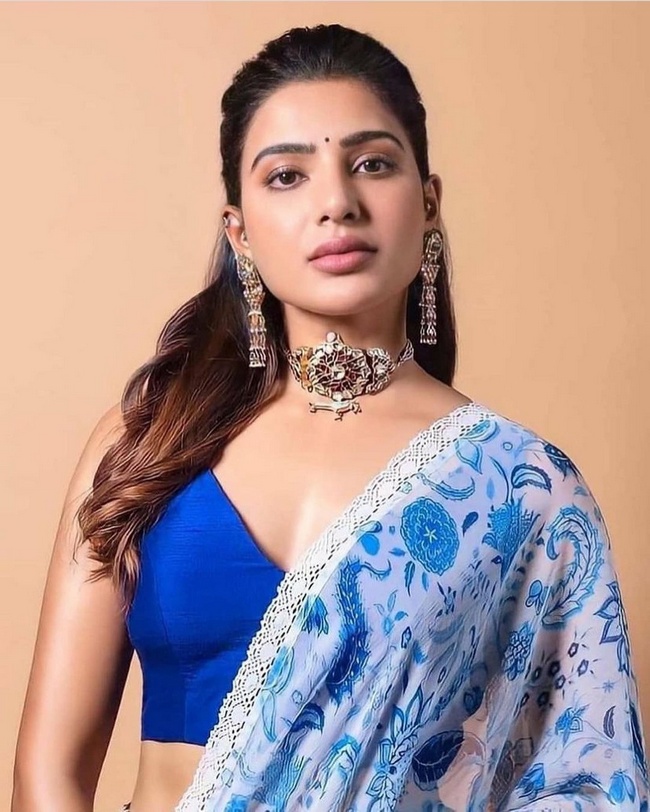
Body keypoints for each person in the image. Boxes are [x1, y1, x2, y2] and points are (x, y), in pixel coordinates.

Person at [12, 22, 648, 812]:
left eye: (372, 164)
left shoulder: (521, 488)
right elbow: (47, 773)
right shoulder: (147, 440)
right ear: (239, 233)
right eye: (287, 176)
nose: (337, 204)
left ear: (428, 203)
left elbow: (585, 781)